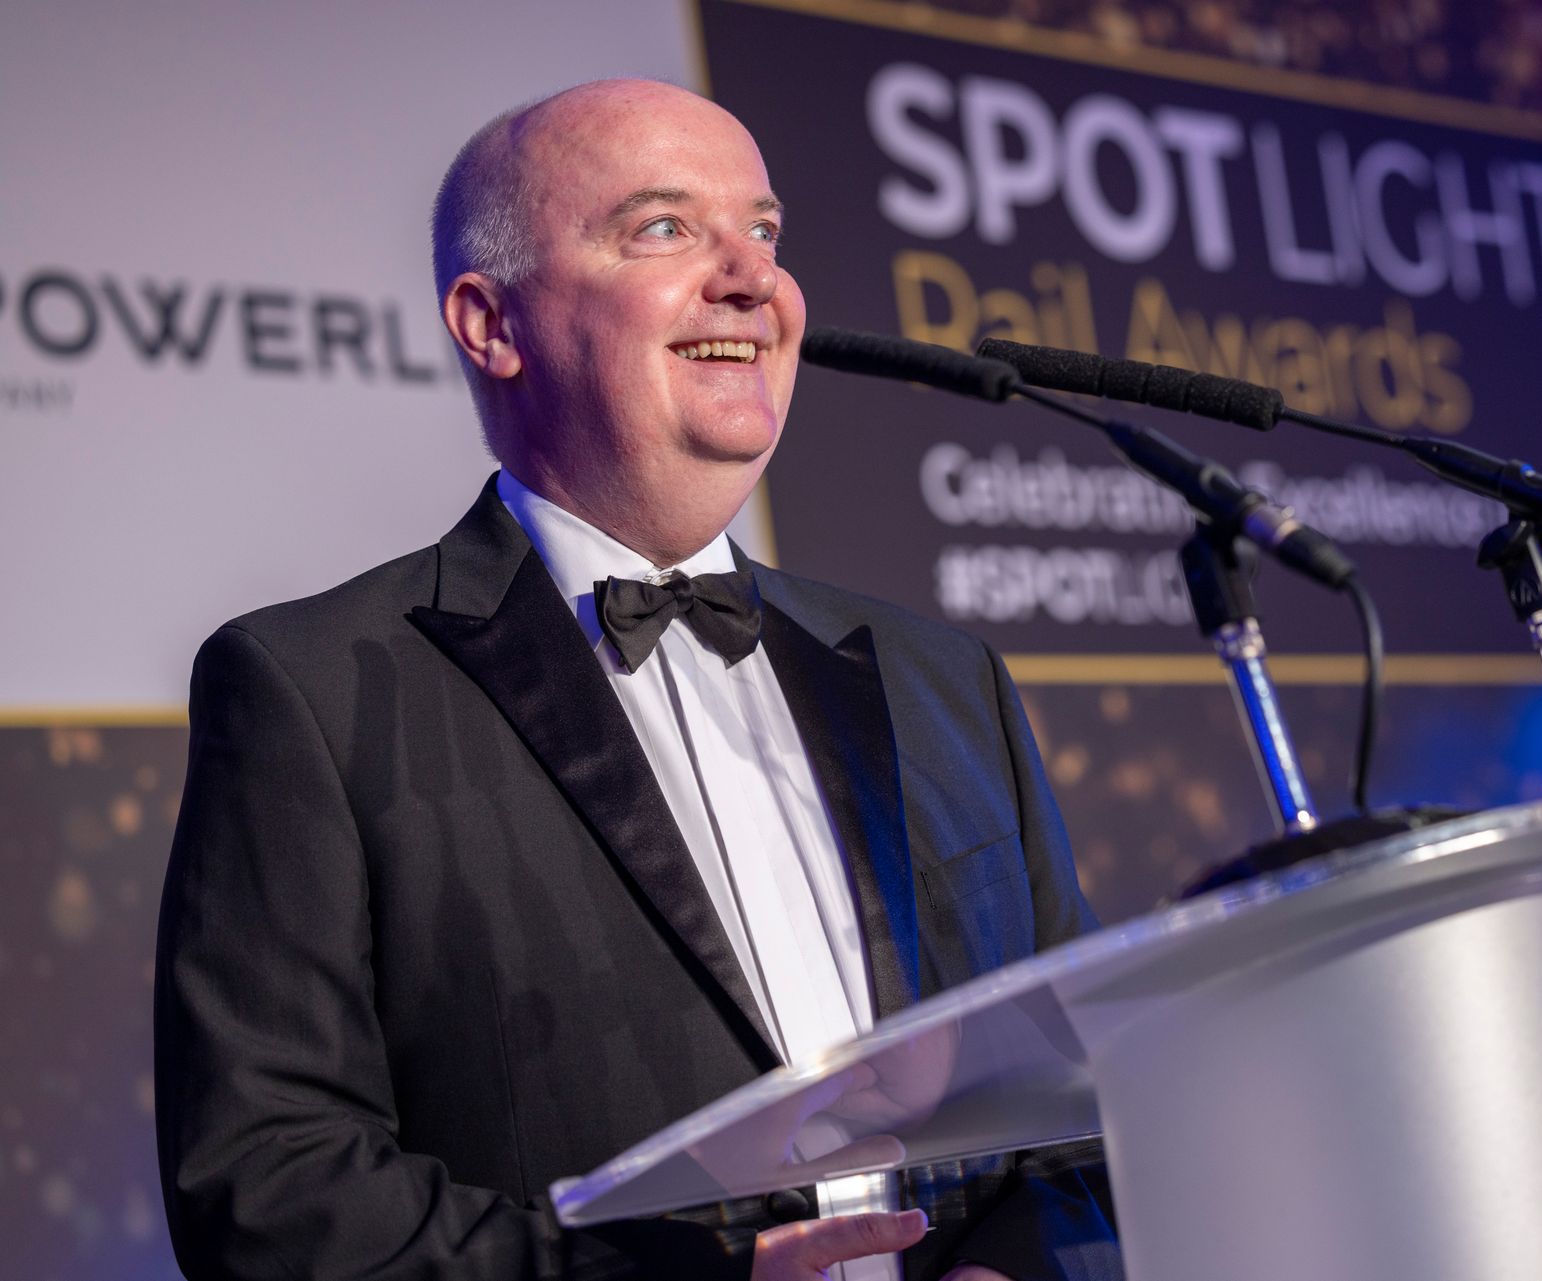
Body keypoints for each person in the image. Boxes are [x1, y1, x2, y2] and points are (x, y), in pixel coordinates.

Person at [153, 79, 1119, 1281]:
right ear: (490, 323)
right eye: (665, 228)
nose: (752, 278)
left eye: (763, 232)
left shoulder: (945, 678)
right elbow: (270, 1189)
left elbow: (1089, 1101)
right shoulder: (315, 691)